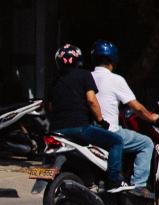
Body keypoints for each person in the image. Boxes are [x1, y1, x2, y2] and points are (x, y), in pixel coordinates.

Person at [46, 43, 127, 190]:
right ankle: (114, 180)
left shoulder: (53, 80)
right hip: (80, 129)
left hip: (56, 130)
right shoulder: (84, 75)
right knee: (117, 141)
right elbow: (91, 100)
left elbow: (50, 107)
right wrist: (101, 120)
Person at [89, 40, 159, 189]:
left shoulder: (86, 77)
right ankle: (138, 186)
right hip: (110, 131)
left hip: (89, 131)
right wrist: (151, 117)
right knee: (146, 143)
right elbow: (136, 108)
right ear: (113, 61)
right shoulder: (116, 79)